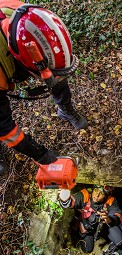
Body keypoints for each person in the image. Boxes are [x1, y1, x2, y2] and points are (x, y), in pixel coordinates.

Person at [0, 0, 88, 176]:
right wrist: (40, 154)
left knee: (57, 75)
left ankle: (65, 109)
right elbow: (6, 129)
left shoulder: (24, 18)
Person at [59, 185, 122, 255]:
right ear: (93, 189)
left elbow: (118, 215)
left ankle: (107, 244)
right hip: (88, 228)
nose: (97, 195)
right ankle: (83, 233)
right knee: (87, 249)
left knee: (119, 241)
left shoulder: (110, 200)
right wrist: (64, 198)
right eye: (96, 190)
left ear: (106, 195)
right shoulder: (85, 194)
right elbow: (71, 202)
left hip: (104, 228)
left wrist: (109, 219)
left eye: (101, 193)